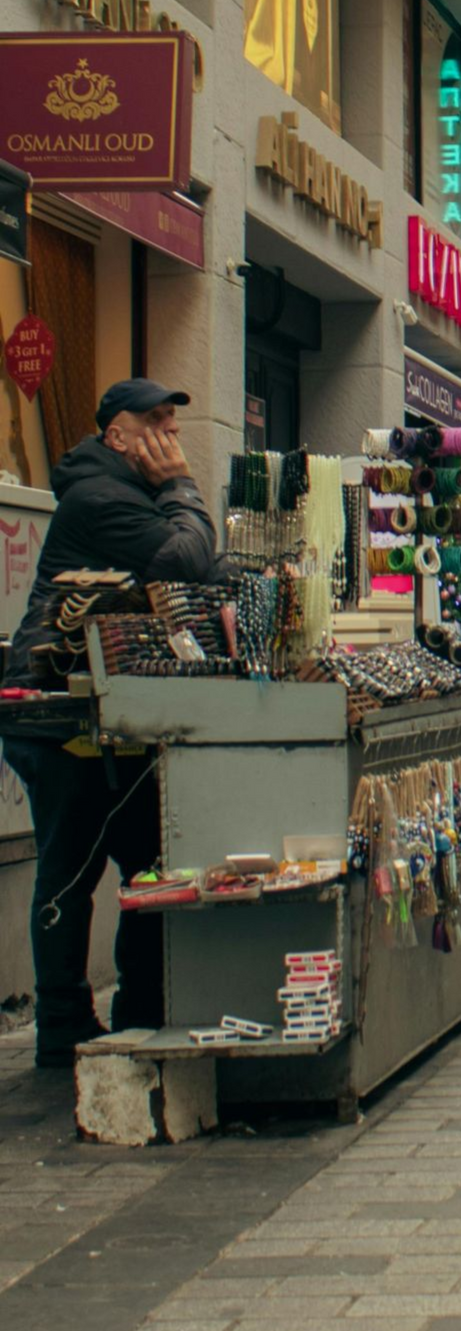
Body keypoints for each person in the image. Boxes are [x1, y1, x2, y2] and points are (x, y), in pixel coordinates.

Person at [2, 380, 218, 1068]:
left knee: (145, 858)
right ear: (116, 435)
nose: (170, 436)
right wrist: (182, 488)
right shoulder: (100, 497)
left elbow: (200, 567)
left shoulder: (132, 495)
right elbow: (188, 562)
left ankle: (139, 1008)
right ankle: (64, 1024)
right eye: (154, 421)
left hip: (104, 713)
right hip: (57, 714)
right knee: (71, 866)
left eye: (173, 423)